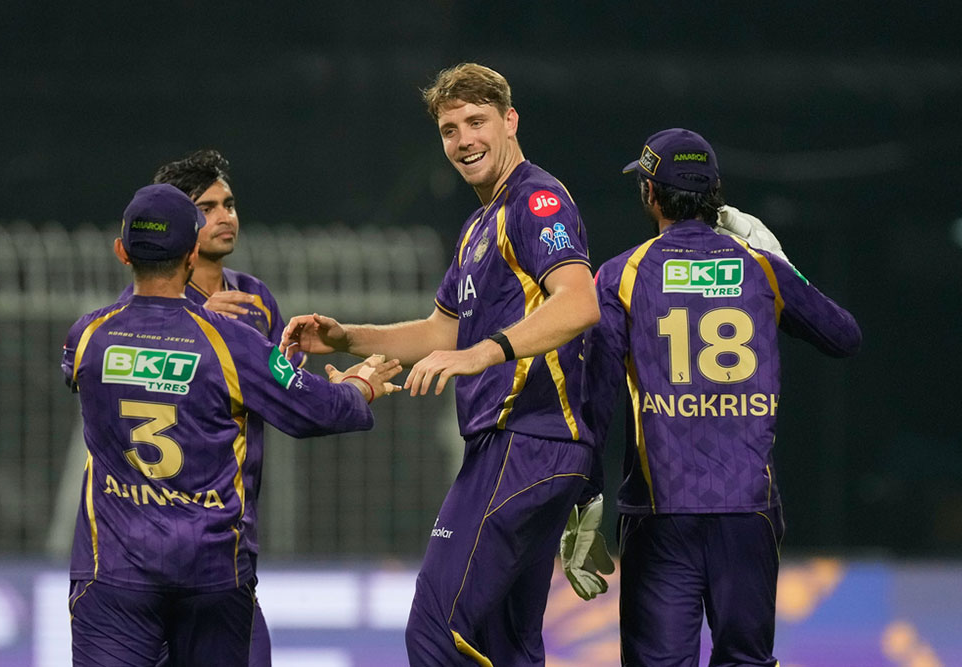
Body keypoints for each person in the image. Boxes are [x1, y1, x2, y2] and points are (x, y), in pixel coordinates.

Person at [281, 63, 601, 666]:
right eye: (450, 130)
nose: (464, 141)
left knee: (434, 628)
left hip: (528, 441)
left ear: (510, 121)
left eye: (477, 122)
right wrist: (348, 337)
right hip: (518, 446)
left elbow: (580, 303)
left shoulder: (536, 199)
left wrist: (483, 353)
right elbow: (441, 331)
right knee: (506, 646)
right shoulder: (480, 225)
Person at [62, 184, 401, 666]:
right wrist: (359, 386)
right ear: (191, 254)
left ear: (122, 252)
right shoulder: (229, 343)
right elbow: (315, 409)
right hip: (211, 572)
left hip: (112, 573)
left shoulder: (87, 336)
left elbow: (74, 375)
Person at [583, 128, 862, 665]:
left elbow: (595, 398)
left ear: (650, 194)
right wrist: (777, 258)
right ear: (716, 195)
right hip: (746, 512)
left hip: (660, 512)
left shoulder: (620, 275)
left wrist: (585, 495)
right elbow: (844, 336)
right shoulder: (761, 267)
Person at [119, 149, 299, 665]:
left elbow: (287, 394)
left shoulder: (255, 298)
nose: (225, 216)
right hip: (147, 560)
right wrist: (193, 325)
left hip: (228, 549)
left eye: (229, 203)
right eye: (207, 208)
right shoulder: (140, 313)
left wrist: (330, 386)